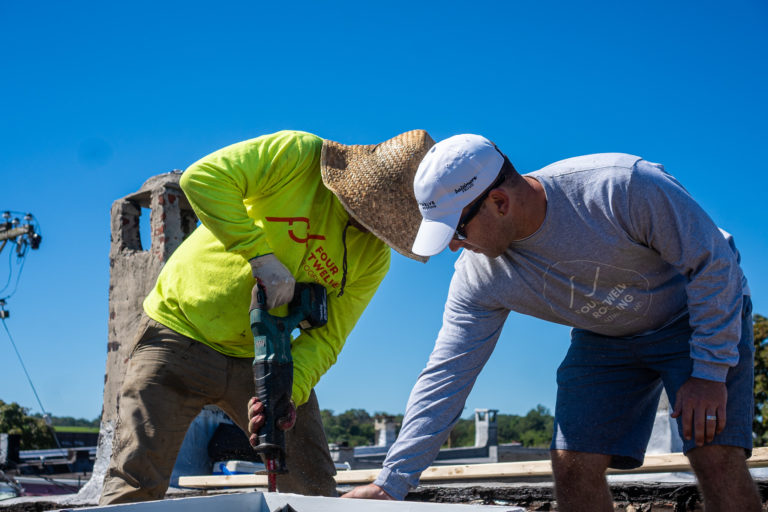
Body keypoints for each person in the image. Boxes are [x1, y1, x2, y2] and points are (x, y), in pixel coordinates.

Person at [342, 134, 760, 511]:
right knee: (572, 462)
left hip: (694, 315)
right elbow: (447, 374)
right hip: (607, 337)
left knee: (714, 453)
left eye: (458, 230)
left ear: (499, 203)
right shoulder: (478, 277)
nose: (454, 246)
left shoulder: (621, 186)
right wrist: (390, 483)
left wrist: (709, 372)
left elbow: (713, 266)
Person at [99, 129, 435, 504]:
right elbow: (202, 179)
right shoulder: (299, 155)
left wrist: (284, 395)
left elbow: (327, 338)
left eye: (388, 222)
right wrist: (259, 255)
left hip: (264, 356)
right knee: (135, 478)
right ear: (359, 183)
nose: (373, 227)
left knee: (312, 482)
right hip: (179, 331)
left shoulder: (373, 257)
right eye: (372, 210)